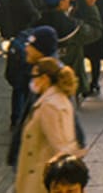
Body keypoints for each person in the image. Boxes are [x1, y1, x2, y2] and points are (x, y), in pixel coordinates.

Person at [15, 57, 84, 193]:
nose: (33, 81)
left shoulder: (49, 106)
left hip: (39, 181)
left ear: (45, 78)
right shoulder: (59, 99)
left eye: (35, 76)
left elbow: (59, 145)